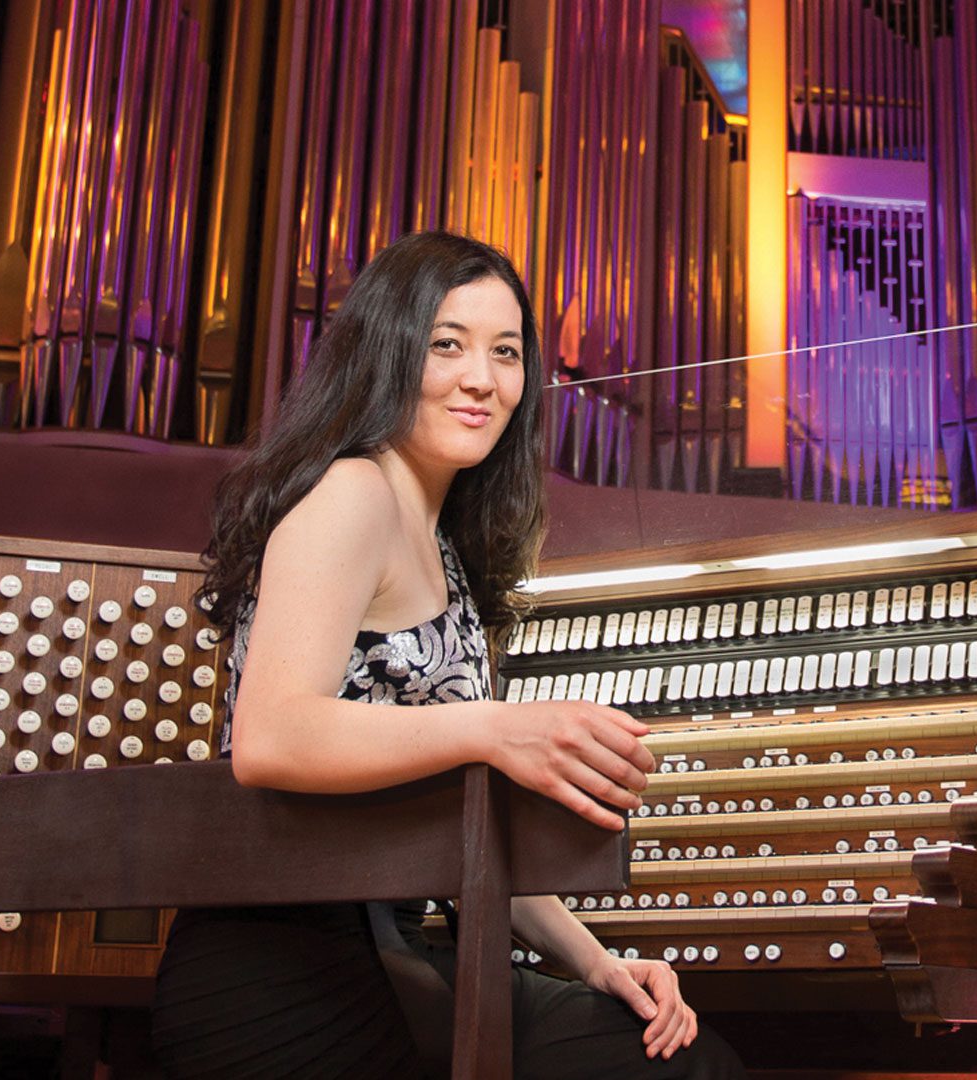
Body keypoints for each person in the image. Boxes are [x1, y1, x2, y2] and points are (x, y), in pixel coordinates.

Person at [151, 231, 745, 1080]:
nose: (483, 379)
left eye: (507, 354)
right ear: (387, 352)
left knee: (676, 1057)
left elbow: (461, 830)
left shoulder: (446, 549)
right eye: (447, 344)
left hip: (389, 952)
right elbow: (272, 736)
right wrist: (493, 729)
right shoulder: (353, 492)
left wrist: (597, 961)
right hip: (288, 974)